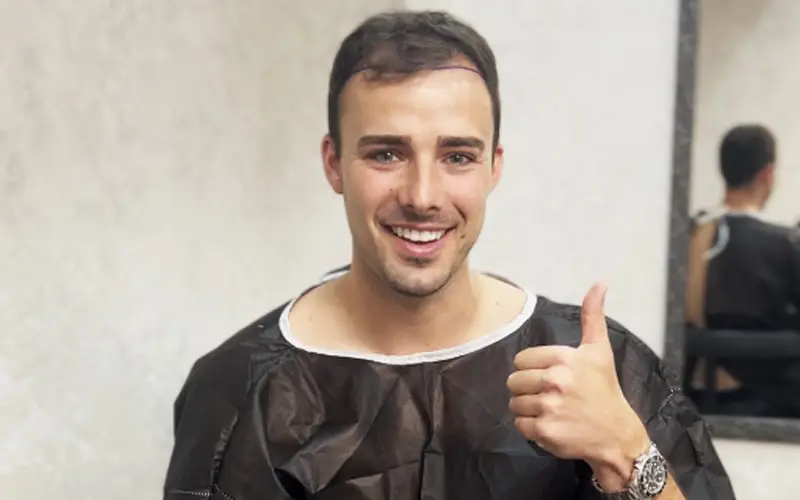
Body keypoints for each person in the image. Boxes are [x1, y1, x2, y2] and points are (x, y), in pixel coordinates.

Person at [163, 10, 733, 500]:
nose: (422, 196)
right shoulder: (240, 393)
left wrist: (627, 453)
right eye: (386, 153)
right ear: (333, 163)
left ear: (494, 167)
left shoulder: (598, 371)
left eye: (457, 156)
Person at [685, 124, 800, 417]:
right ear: (767, 174)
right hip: (761, 399)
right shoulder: (780, 245)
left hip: (691, 390)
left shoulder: (691, 232)